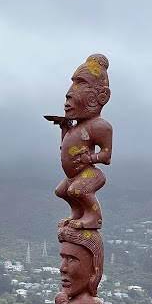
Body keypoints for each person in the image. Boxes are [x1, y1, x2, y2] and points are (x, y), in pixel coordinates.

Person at [45, 54, 112, 229]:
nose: (69, 93)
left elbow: (106, 156)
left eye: (81, 83)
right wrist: (64, 128)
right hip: (73, 175)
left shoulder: (100, 126)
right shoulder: (75, 127)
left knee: (77, 190)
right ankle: (78, 213)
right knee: (62, 191)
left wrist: (89, 159)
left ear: (101, 96)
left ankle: (94, 216)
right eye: (73, 84)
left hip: (90, 174)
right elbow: (64, 147)